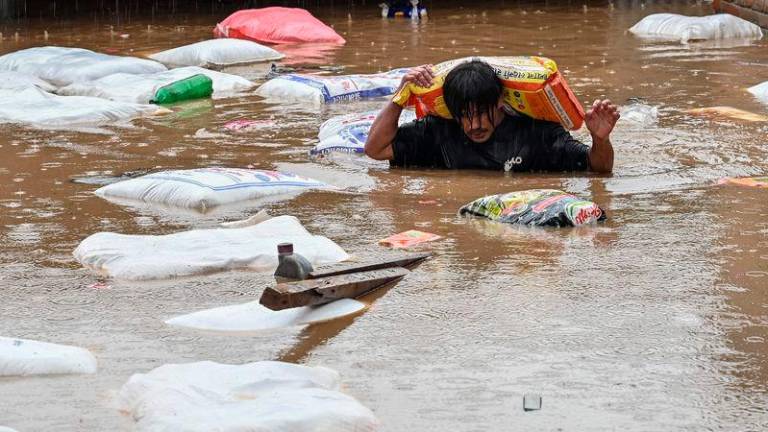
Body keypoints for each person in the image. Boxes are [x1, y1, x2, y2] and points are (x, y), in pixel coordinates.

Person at [365, 60, 619, 173]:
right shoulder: (438, 131)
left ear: (500, 102)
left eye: (480, 114)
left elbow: (598, 169)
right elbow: (376, 149)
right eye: (464, 116)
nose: (473, 125)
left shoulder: (536, 134)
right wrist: (400, 96)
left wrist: (600, 140)